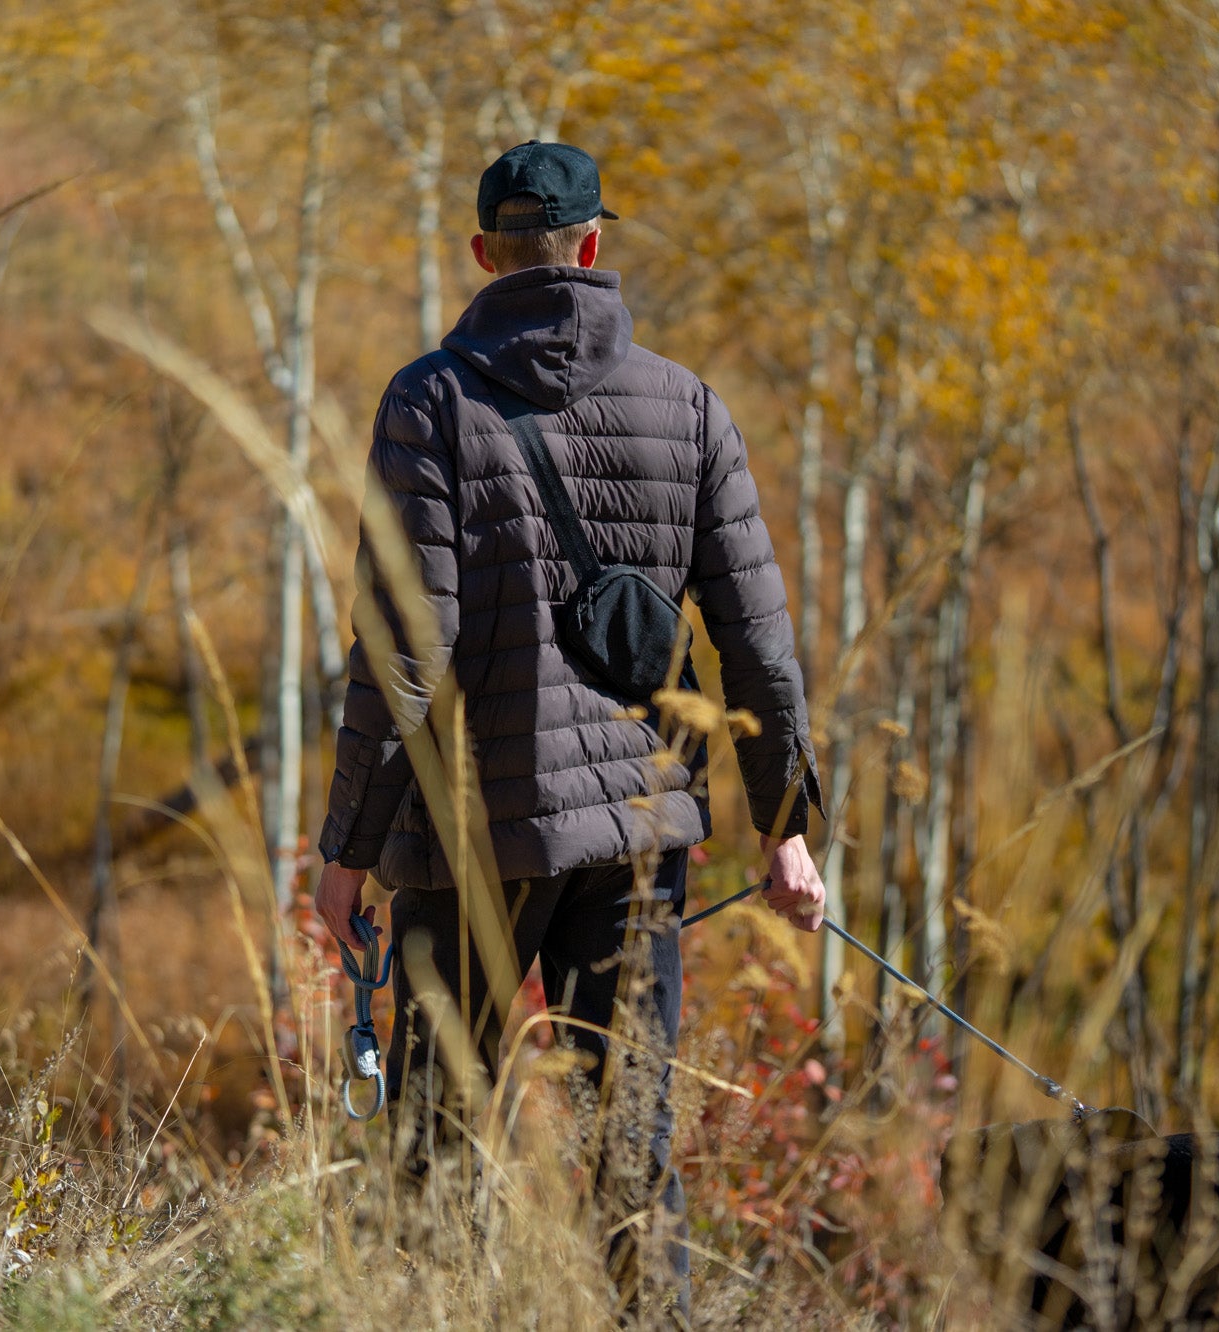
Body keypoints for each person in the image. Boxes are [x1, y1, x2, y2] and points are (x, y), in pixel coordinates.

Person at [313, 139, 825, 1318]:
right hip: (641, 836)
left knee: (437, 1147)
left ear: (484, 254)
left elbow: (403, 648)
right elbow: (756, 638)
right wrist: (787, 831)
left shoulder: (428, 403)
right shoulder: (688, 407)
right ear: (593, 247)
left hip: (469, 840)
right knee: (629, 1145)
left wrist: (347, 849)